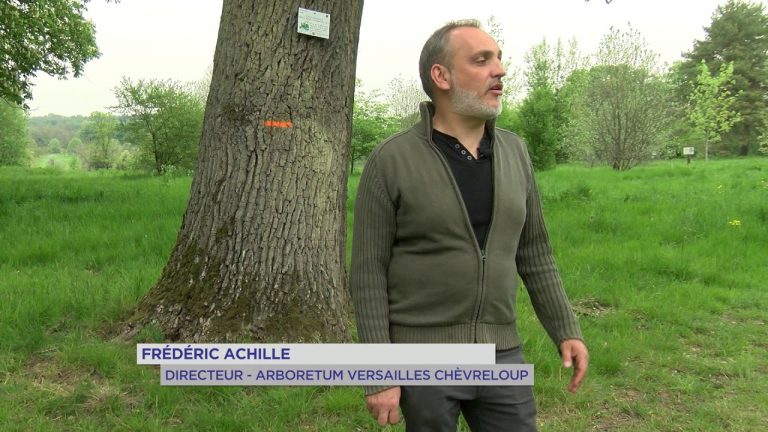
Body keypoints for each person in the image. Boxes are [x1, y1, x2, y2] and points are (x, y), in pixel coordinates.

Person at [349, 19, 588, 431]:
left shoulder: (515, 152)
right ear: (441, 76)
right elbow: (368, 273)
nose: (500, 70)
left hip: (501, 352)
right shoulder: (391, 160)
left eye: (499, 59)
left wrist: (565, 328)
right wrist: (379, 372)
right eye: (482, 60)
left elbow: (535, 253)